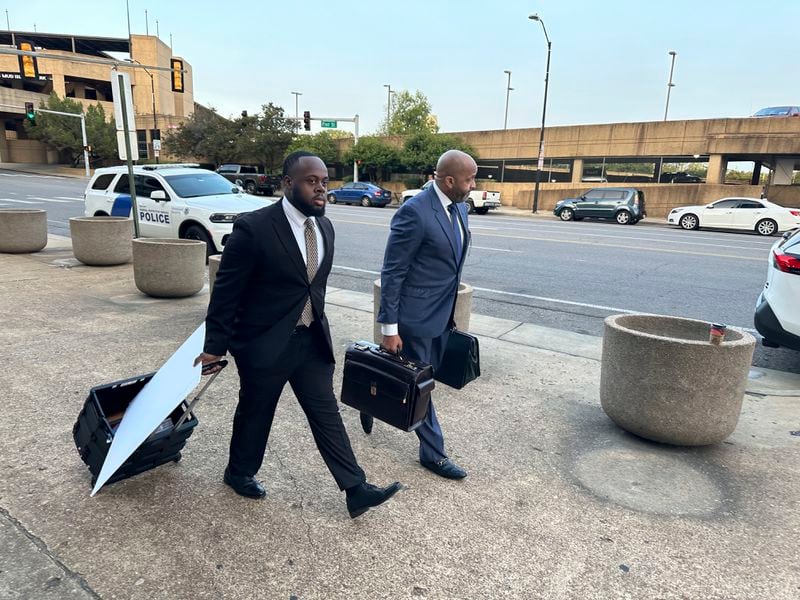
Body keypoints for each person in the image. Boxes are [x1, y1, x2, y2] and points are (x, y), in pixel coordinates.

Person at [194, 151, 401, 518]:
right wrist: (214, 347)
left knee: (326, 412)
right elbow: (227, 292)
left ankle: (355, 488)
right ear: (288, 183)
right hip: (265, 343)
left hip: (310, 340)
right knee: (257, 412)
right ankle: (238, 472)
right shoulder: (254, 227)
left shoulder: (325, 228)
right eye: (311, 181)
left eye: (324, 181)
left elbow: (311, 288)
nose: (320, 188)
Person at [363, 149, 475, 480]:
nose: (474, 184)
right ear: (449, 180)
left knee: (419, 375)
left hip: (443, 312)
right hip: (414, 316)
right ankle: (433, 453)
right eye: (469, 179)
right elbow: (393, 272)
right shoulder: (414, 212)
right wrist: (389, 328)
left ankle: (369, 399)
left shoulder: (460, 208)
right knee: (422, 384)